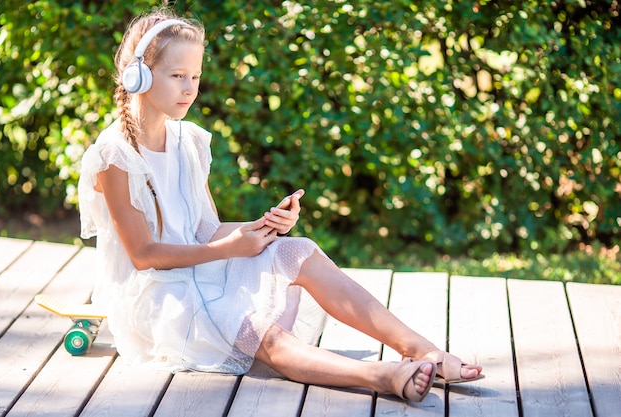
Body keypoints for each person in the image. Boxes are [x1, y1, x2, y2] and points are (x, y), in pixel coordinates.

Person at [78, 9, 483, 403]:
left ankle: (420, 348)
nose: (190, 89)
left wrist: (262, 227)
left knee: (298, 249)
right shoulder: (115, 155)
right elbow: (144, 255)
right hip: (156, 299)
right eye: (177, 76)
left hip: (194, 270)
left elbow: (204, 230)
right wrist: (228, 249)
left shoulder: (189, 141)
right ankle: (382, 375)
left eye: (196, 77)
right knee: (261, 331)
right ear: (140, 76)